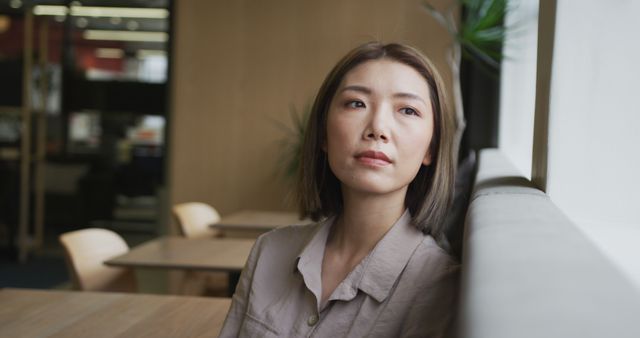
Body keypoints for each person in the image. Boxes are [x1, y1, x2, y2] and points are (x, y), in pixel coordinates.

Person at [220, 42, 459, 338]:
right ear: (323, 134)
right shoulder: (269, 251)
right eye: (356, 103)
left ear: (431, 149)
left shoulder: (439, 285)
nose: (378, 128)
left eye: (408, 110)